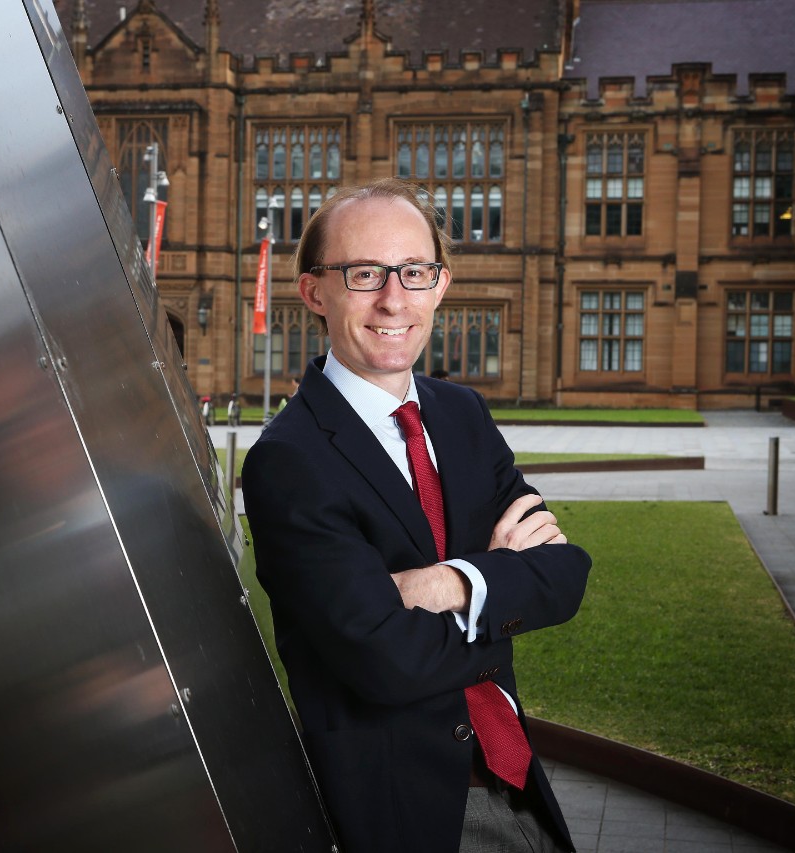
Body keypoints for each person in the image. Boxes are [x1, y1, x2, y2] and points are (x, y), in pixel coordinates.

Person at [241, 178, 591, 852]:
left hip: (513, 775)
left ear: (441, 283)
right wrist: (499, 587)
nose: (393, 298)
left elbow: (566, 572)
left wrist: (449, 584)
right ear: (315, 291)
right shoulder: (291, 459)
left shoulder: (461, 414)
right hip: (404, 802)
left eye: (413, 271)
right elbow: (384, 660)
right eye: (365, 273)